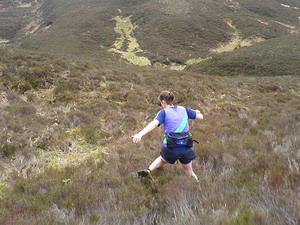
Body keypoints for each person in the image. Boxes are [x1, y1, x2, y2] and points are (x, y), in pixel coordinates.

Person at [132, 90, 204, 181]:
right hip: (186, 147)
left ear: (163, 102)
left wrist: (140, 134)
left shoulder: (163, 112)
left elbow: (154, 124)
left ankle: (148, 170)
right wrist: (196, 112)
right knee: (189, 171)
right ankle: (198, 187)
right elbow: (200, 117)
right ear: (172, 100)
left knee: (162, 159)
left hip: (171, 148)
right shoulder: (184, 109)